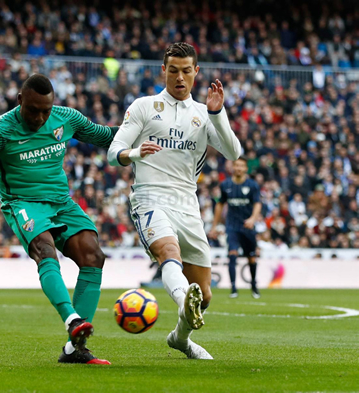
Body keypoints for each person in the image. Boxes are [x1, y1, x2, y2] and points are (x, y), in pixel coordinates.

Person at [0, 74, 118, 365]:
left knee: (93, 256)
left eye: (46, 110)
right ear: (20, 101)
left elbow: (106, 136)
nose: (41, 117)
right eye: (33, 110)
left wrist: (145, 127)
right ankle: (72, 320)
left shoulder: (65, 118)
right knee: (45, 251)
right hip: (23, 204)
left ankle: (75, 350)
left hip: (61, 202)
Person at [107, 42, 241, 359]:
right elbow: (114, 153)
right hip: (150, 197)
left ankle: (180, 338)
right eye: (173, 70)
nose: (180, 77)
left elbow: (234, 154)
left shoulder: (203, 114)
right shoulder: (143, 107)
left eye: (186, 71)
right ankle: (183, 302)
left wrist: (218, 113)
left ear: (196, 72)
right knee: (169, 252)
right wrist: (136, 153)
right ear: (163, 71)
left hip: (187, 204)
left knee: (205, 295)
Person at [209, 158, 262, 299]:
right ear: (233, 167)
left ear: (245, 169)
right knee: (232, 254)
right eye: (236, 165)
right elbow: (220, 205)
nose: (238, 168)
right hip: (232, 226)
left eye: (241, 166)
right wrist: (214, 226)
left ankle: (254, 285)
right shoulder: (225, 185)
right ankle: (233, 288)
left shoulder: (252, 185)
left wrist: (252, 219)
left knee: (251, 257)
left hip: (247, 226)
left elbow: (257, 204)